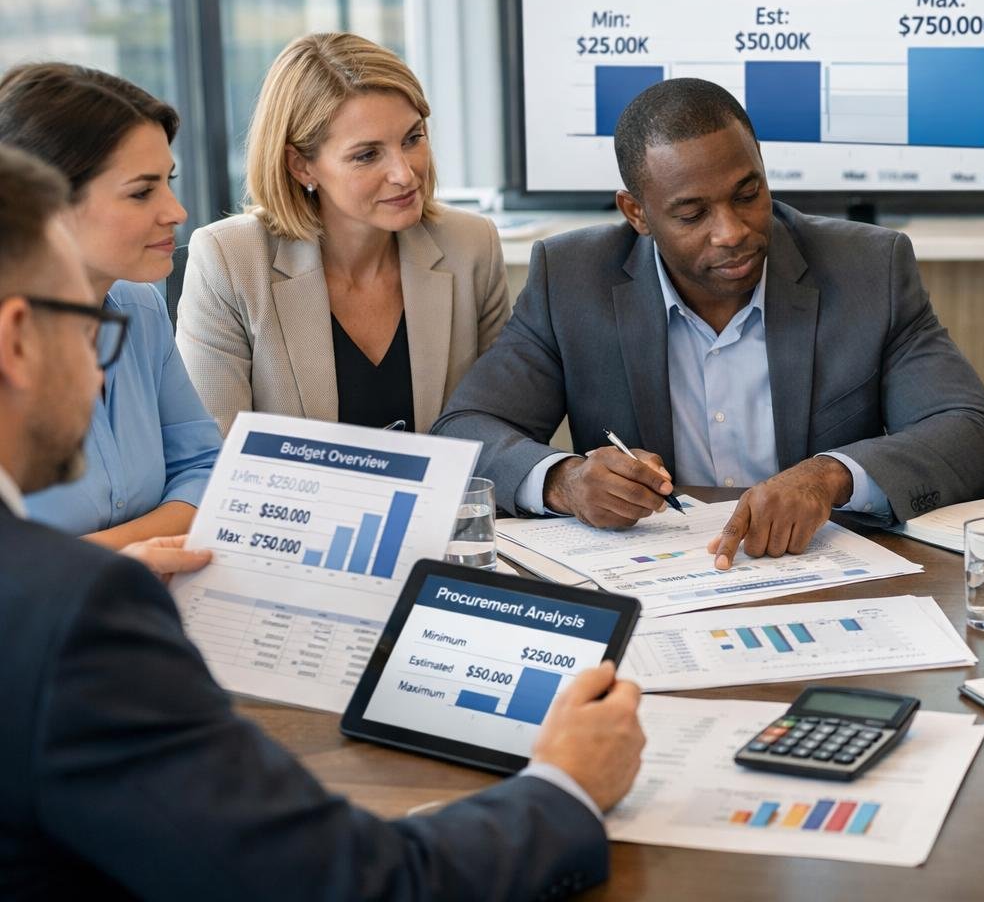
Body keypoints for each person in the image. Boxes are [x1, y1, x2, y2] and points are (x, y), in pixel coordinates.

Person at [0, 142, 644, 898]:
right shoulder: (73, 617)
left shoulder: (58, 602)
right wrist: (565, 786)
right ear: (18, 340)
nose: (100, 368)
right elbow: (346, 882)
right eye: (88, 327)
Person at [434, 77, 984, 568]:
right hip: (656, 581)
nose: (732, 231)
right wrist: (564, 481)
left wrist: (830, 475)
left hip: (821, 572)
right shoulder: (572, 279)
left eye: (748, 194)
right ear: (637, 213)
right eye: (692, 214)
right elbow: (464, 431)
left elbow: (971, 433)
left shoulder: (867, 267)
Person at [176, 33, 511, 435]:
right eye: (367, 155)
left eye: (412, 138)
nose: (405, 174)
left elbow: (497, 427)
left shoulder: (471, 245)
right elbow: (214, 451)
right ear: (301, 166)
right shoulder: (229, 260)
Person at [0, 62, 221, 549]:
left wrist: (110, 562)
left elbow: (204, 469)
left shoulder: (141, 309)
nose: (177, 211)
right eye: (142, 192)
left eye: (169, 181)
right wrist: (115, 565)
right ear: (47, 207)